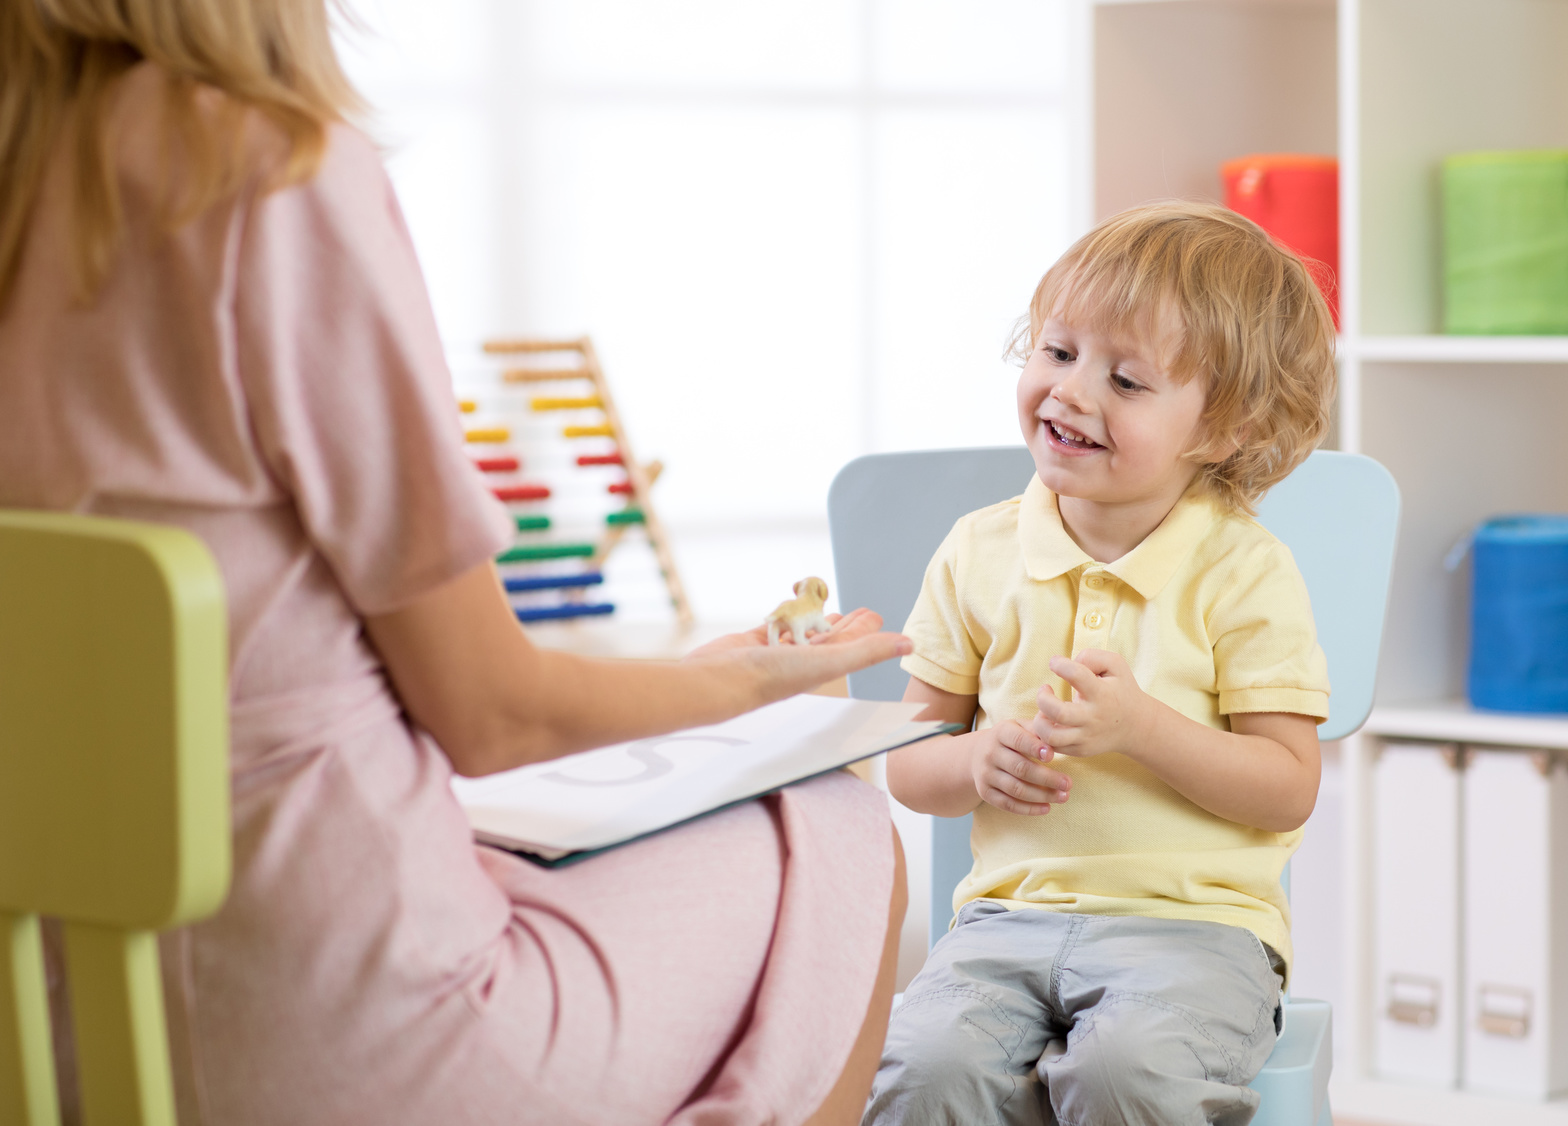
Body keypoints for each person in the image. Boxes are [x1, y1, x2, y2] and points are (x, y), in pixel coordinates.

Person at [0, 3, 912, 1123]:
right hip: (333, 1023)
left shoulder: (21, 160)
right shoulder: (263, 168)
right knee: (838, 829)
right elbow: (491, 718)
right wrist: (744, 684)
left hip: (62, 1007)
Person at [863, 202, 1337, 1126]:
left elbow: (1287, 788)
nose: (1070, 393)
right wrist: (972, 760)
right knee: (923, 1066)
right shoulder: (978, 550)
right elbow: (909, 761)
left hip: (1197, 931)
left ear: (1226, 429)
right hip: (1002, 925)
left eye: (1125, 379)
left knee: (1129, 1070)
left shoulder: (1244, 568)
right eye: (1057, 352)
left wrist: (1143, 730)